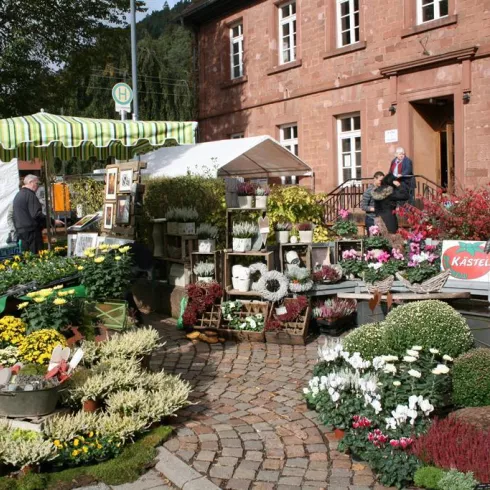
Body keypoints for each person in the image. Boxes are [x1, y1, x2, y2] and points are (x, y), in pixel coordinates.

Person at [12, 175, 63, 254]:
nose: (38, 186)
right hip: (32, 233)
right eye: (37, 183)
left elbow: (14, 216)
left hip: (22, 232)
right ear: (30, 182)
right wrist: (53, 222)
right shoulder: (30, 195)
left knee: (27, 257)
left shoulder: (18, 195)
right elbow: (36, 215)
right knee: (36, 256)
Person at [361, 171, 385, 235]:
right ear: (375, 179)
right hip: (371, 219)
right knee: (372, 242)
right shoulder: (369, 191)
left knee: (383, 241)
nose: (382, 182)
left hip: (382, 218)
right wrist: (375, 209)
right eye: (380, 180)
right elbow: (363, 206)